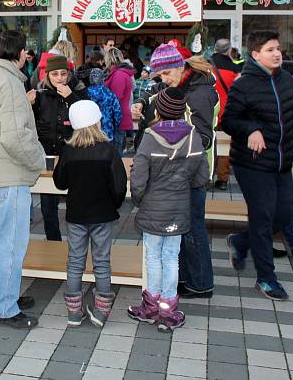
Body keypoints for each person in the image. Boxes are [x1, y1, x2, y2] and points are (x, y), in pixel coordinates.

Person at [222, 30, 293, 301]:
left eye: (278, 48)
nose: (277, 53)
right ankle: (266, 278)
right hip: (253, 164)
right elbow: (228, 120)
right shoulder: (243, 83)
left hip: (283, 161)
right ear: (256, 54)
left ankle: (240, 241)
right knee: (262, 219)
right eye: (270, 49)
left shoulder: (286, 81)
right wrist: (251, 129)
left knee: (283, 214)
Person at [0, 30, 45, 329]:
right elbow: (15, 137)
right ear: (21, 53)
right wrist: (38, 161)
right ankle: (4, 307)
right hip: (11, 173)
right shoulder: (10, 83)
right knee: (11, 245)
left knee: (1, 242)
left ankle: (5, 295)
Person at [135, 42, 217, 299]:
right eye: (161, 76)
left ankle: (201, 282)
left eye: (167, 74)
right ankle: (183, 276)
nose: (164, 80)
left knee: (192, 227)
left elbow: (204, 138)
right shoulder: (178, 84)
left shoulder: (198, 94)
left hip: (189, 171)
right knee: (180, 228)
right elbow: (155, 91)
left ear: (180, 67)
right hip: (175, 170)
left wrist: (171, 140)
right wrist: (140, 101)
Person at [128, 88, 209, 332]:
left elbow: (139, 177)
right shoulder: (194, 136)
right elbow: (202, 176)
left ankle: (150, 305)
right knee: (171, 257)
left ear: (159, 110)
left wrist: (139, 199)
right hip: (179, 206)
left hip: (152, 206)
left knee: (153, 256)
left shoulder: (150, 137)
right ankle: (168, 310)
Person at [53, 100, 126, 328]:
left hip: (76, 214)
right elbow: (119, 185)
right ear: (98, 121)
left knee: (75, 262)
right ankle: (101, 311)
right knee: (102, 262)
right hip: (102, 214)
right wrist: (113, 205)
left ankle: (74, 312)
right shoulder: (109, 150)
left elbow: (60, 182)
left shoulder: (69, 150)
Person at [27, 54, 88, 241]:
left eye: (63, 73)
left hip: (72, 154)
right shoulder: (41, 96)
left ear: (69, 75)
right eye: (55, 74)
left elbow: (87, 118)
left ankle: (76, 242)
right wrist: (27, 104)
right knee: (47, 204)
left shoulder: (79, 94)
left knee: (75, 201)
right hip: (47, 155)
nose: (60, 78)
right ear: (48, 76)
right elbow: (28, 122)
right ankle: (53, 240)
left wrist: (71, 98)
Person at [210, 38, 241, 191]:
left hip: (207, 112)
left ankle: (206, 175)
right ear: (229, 50)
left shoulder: (205, 67)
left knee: (206, 144)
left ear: (215, 49)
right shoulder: (234, 70)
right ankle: (222, 179)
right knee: (224, 147)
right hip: (226, 114)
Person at [104, 47, 135, 154]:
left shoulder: (119, 75)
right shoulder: (120, 73)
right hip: (118, 118)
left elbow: (115, 98)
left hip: (116, 120)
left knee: (114, 156)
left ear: (109, 59)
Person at [85, 68, 122, 141]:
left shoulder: (86, 93)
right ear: (102, 78)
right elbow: (118, 112)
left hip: (90, 128)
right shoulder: (109, 93)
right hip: (107, 127)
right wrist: (116, 125)